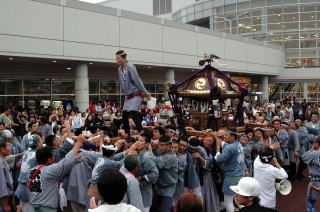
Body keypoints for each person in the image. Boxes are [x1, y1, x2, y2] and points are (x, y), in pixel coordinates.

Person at [28, 135, 85, 212]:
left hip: (33, 207)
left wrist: (74, 160)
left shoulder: (32, 170)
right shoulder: (50, 170)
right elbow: (66, 161)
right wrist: (78, 143)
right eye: (53, 155)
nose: (55, 157)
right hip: (46, 209)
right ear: (49, 160)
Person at [210, 129, 245, 212]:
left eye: (226, 135)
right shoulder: (238, 144)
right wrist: (217, 138)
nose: (224, 137)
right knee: (239, 200)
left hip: (231, 178)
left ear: (232, 137)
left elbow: (219, 160)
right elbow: (225, 145)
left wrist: (218, 147)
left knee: (228, 202)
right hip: (240, 176)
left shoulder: (229, 148)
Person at [151, 135, 178, 212]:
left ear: (169, 145)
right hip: (158, 185)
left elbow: (156, 163)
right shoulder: (160, 151)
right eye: (159, 145)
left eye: (162, 145)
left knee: (166, 209)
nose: (160, 147)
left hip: (168, 187)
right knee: (153, 207)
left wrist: (150, 149)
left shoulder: (171, 156)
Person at [135, 132, 159, 212]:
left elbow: (155, 174)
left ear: (147, 144)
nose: (138, 142)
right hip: (136, 190)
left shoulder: (147, 157)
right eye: (138, 140)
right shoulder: (136, 153)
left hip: (145, 191)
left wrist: (141, 177)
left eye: (141, 141)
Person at [302, 136, 320, 212]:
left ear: (316, 143)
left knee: (310, 201)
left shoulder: (315, 153)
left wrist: (312, 148)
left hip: (316, 182)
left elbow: (304, 157)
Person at [0, 137, 13, 212]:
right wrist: (5, 204)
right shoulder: (0, 164)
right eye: (8, 145)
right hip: (2, 202)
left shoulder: (2, 159)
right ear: (2, 149)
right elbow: (1, 185)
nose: (10, 148)